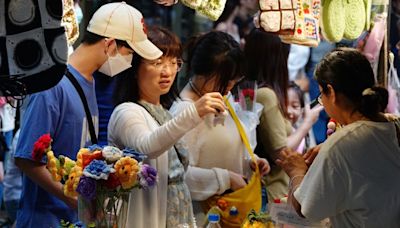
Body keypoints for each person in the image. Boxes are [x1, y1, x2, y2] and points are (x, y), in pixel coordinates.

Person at [14, 2, 162, 226]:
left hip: (74, 219)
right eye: (129, 53)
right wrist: (76, 200)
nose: (129, 62)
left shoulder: (89, 83)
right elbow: (26, 159)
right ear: (110, 45)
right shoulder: (53, 85)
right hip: (45, 220)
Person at [107, 26, 226, 228]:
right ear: (135, 68)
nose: (168, 71)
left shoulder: (163, 111)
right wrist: (193, 112)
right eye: (157, 62)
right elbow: (147, 147)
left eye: (174, 63)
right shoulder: (126, 112)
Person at [277, 48, 400, 227]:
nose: (322, 103)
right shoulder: (391, 127)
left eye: (321, 95)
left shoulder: (341, 145)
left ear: (332, 93)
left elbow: (305, 208)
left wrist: (297, 171)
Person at [170, 31, 270, 226]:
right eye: (225, 80)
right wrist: (226, 179)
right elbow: (179, 175)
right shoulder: (185, 111)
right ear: (203, 72)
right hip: (203, 217)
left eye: (234, 80)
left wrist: (252, 160)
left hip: (232, 212)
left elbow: (225, 145)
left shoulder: (221, 96)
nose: (230, 87)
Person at [244, 28, 292, 201]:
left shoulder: (247, 90)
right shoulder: (266, 95)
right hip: (272, 192)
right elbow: (280, 154)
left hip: (258, 188)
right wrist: (308, 122)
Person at [287, 82, 323, 153]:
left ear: (302, 110)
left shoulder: (301, 132)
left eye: (295, 106)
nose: (289, 111)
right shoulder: (279, 131)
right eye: (283, 104)